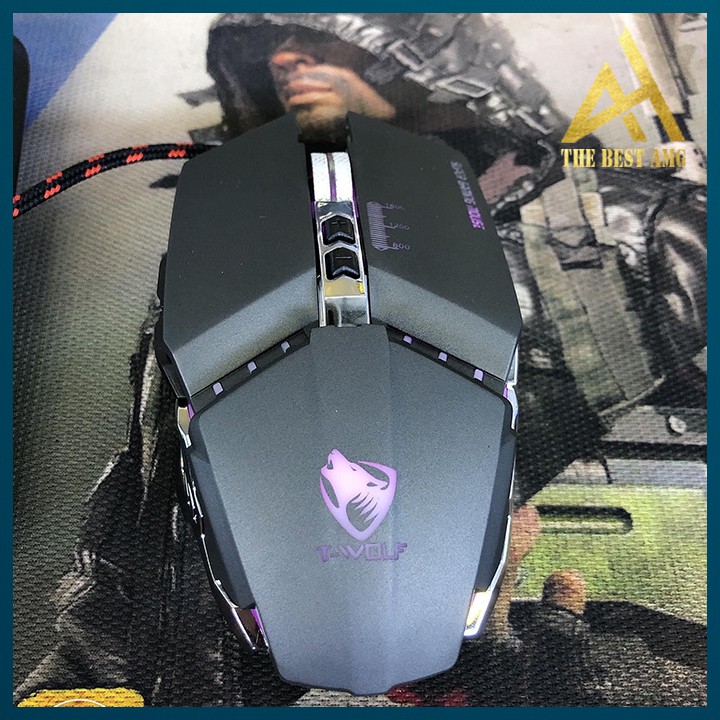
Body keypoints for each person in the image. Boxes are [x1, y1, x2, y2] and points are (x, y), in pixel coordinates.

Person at [16, 12, 706, 707]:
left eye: (317, 38)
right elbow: (144, 508)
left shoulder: (638, 227)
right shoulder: (227, 253)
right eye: (269, 47)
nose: (286, 58)